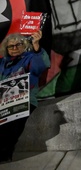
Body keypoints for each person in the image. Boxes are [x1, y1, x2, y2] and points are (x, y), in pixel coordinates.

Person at [0, 31, 50, 163]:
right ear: (6, 48)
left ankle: (5, 154)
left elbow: (39, 67)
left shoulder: (30, 57)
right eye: (11, 46)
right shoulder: (2, 63)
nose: (15, 48)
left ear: (24, 45)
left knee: (13, 124)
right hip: (5, 101)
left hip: (25, 99)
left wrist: (36, 46)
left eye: (18, 45)